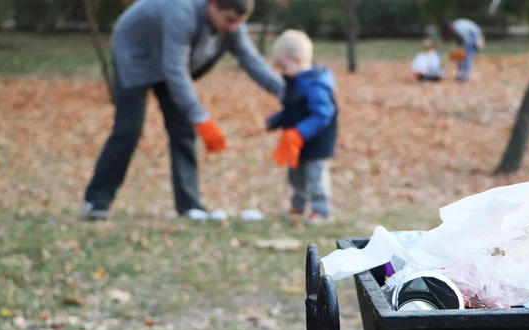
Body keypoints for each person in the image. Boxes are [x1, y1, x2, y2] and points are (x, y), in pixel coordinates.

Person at [83, 0, 284, 221]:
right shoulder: (182, 13)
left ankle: (189, 206)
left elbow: (251, 60)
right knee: (128, 129)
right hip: (135, 53)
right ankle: (96, 200)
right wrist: (201, 117)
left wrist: (285, 94)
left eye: (239, 22)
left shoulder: (231, 25)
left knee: (183, 130)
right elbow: (175, 70)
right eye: (229, 20)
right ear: (213, 5)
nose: (233, 27)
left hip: (168, 59)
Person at [265, 30, 338, 226]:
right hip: (296, 143)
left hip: (316, 143)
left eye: (283, 66)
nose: (281, 71)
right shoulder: (295, 82)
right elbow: (294, 110)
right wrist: (277, 120)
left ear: (298, 61)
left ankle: (321, 211)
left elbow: (323, 114)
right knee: (295, 176)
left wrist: (300, 132)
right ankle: (298, 206)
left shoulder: (316, 84)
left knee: (315, 177)